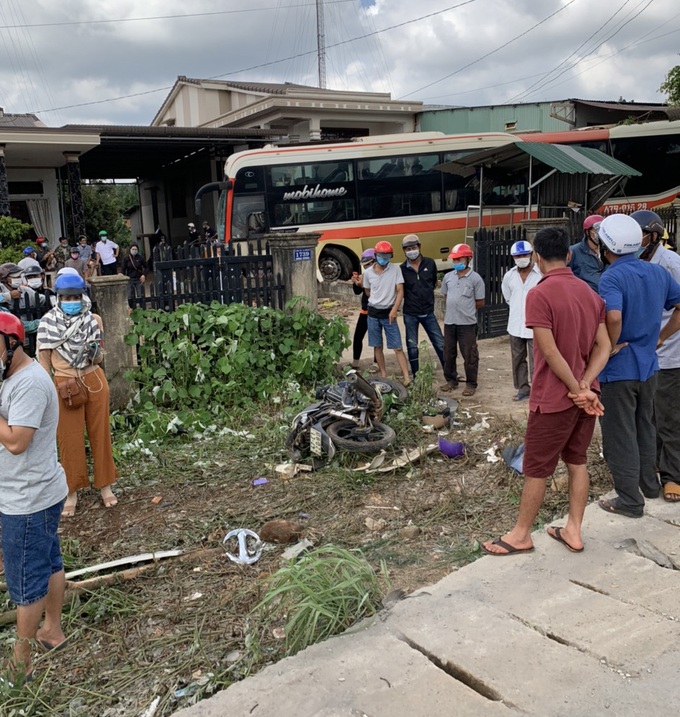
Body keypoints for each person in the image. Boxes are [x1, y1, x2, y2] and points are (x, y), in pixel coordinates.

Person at [482, 226, 611, 556]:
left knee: (536, 467)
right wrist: (586, 385)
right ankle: (574, 530)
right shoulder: (590, 294)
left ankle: (521, 534)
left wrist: (573, 388)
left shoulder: (539, 294)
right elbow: (604, 344)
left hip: (555, 397)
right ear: (569, 255)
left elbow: (549, 351)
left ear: (537, 258)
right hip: (587, 396)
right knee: (577, 461)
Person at [0, 312, 69, 685]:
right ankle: (52, 631)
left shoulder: (28, 383)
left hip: (27, 500)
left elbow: (15, 441)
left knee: (26, 584)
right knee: (49, 562)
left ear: (12, 344)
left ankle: (20, 662)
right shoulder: (9, 377)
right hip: (39, 491)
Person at [596, 213, 680, 518]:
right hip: (650, 366)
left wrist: (612, 344)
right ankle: (649, 484)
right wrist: (661, 336)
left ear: (606, 247)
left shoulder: (612, 277)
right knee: (646, 425)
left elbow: (614, 317)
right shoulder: (656, 273)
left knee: (620, 433)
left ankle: (629, 500)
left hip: (620, 370)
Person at [37, 274, 119, 518]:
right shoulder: (46, 323)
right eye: (66, 297)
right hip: (65, 383)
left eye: (75, 297)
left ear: (82, 296)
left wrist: (96, 354)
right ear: (58, 299)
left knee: (100, 433)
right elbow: (43, 363)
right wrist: (47, 393)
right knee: (68, 438)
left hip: (93, 379)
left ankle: (106, 485)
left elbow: (101, 356)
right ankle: (71, 491)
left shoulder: (94, 320)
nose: (71, 301)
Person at [630, 210, 680, 503]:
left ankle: (673, 476)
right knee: (648, 415)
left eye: (638, 237)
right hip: (645, 355)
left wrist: (661, 337)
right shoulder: (636, 264)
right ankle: (659, 463)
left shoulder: (672, 264)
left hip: (670, 353)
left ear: (651, 236)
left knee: (669, 416)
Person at [362, 240, 410, 385]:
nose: (384, 259)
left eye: (387, 256)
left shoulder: (395, 270)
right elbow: (367, 291)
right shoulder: (368, 273)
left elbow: (400, 291)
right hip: (373, 313)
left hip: (389, 312)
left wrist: (394, 309)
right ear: (376, 255)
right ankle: (383, 372)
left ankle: (406, 376)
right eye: (382, 255)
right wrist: (378, 300)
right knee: (377, 345)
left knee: (397, 347)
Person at [440, 243, 485, 396]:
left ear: (468, 259)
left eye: (459, 259)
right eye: (454, 260)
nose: (456, 262)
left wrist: (465, 309)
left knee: (469, 354)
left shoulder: (476, 279)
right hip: (450, 322)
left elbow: (480, 302)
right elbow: (446, 296)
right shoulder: (448, 277)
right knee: (448, 352)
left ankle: (471, 383)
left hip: (467, 323)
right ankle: (451, 380)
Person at [399, 233, 445, 377]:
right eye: (408, 249)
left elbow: (433, 283)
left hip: (428, 312)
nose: (411, 251)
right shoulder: (401, 269)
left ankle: (450, 373)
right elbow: (401, 290)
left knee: (440, 343)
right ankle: (416, 375)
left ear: (419, 247)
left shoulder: (430, 263)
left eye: (413, 247)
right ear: (404, 251)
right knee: (412, 346)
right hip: (410, 313)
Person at [501, 239, 542, 401]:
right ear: (513, 258)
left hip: (536, 326)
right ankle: (523, 388)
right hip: (515, 324)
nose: (521, 258)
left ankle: (538, 390)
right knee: (517, 358)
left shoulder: (540, 274)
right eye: (518, 256)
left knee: (536, 360)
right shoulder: (509, 276)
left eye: (524, 254)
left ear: (531, 255)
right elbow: (508, 298)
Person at [350, 248, 376, 370]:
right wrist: (355, 283)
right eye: (365, 265)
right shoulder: (365, 275)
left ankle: (377, 363)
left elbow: (373, 293)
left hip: (376, 311)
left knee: (376, 338)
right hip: (364, 311)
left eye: (368, 264)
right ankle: (355, 362)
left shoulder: (379, 276)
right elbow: (357, 292)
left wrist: (363, 285)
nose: (366, 267)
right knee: (358, 337)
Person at [568, 214, 604, 291]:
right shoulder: (573, 251)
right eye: (596, 230)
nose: (600, 234)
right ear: (587, 232)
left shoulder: (608, 251)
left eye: (603, 230)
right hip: (586, 298)